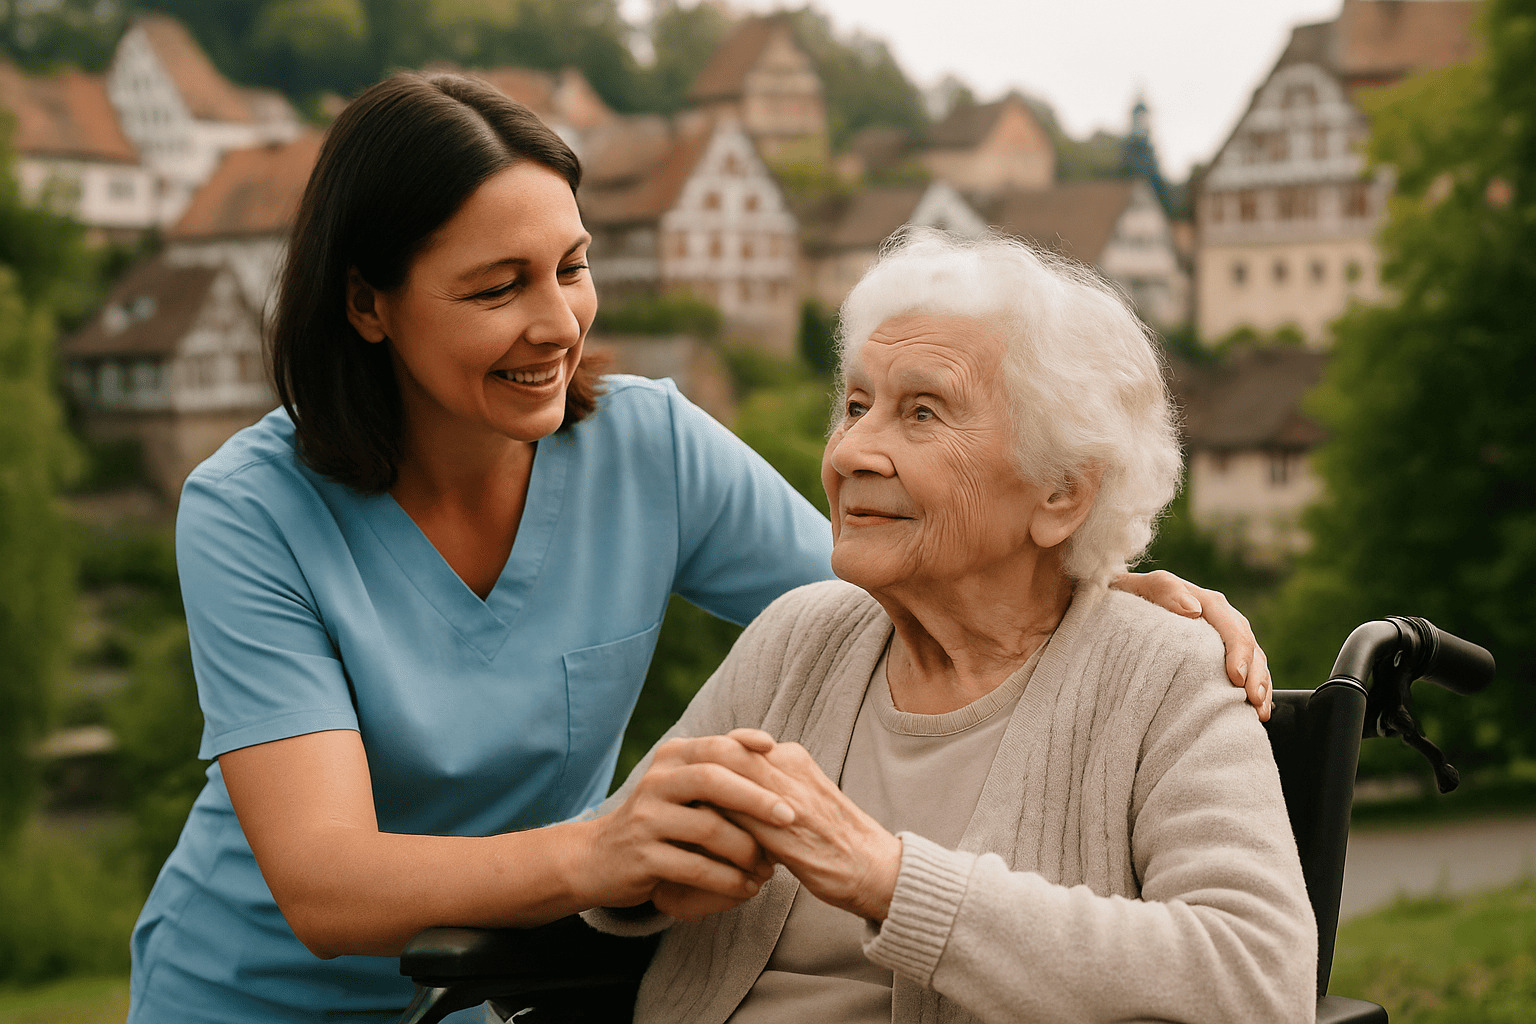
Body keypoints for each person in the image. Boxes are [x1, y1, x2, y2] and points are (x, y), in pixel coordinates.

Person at [126, 72, 1273, 1023]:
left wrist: (1089, 575)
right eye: (497, 287)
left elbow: (906, 587)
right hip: (249, 995)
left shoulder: (648, 449)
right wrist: (601, 852)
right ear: (368, 304)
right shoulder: (251, 509)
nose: (559, 323)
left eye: (571, 267)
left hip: (491, 986)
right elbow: (325, 884)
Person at [582, 231, 1316, 1024]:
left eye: (922, 413)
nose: (852, 452)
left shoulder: (1162, 674)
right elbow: (608, 868)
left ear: (1062, 493)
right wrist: (645, 866)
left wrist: (888, 880)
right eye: (856, 406)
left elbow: (1256, 976)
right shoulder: (798, 637)